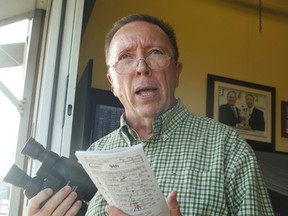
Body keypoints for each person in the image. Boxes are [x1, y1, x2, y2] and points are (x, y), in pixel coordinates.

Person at [26, 14, 273, 215]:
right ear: (112, 82)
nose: (142, 67)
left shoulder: (229, 148)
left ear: (176, 71)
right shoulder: (93, 156)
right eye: (125, 57)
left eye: (155, 52)